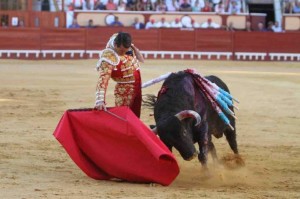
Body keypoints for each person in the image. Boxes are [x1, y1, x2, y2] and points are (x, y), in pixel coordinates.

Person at [95, 32, 145, 118]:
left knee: (135, 117)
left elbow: (140, 59)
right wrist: (100, 100)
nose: (123, 53)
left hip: (137, 86)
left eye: (126, 50)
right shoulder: (108, 56)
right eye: (121, 50)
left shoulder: (122, 40)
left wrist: (133, 49)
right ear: (115, 44)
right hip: (124, 91)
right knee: (122, 117)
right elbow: (103, 79)